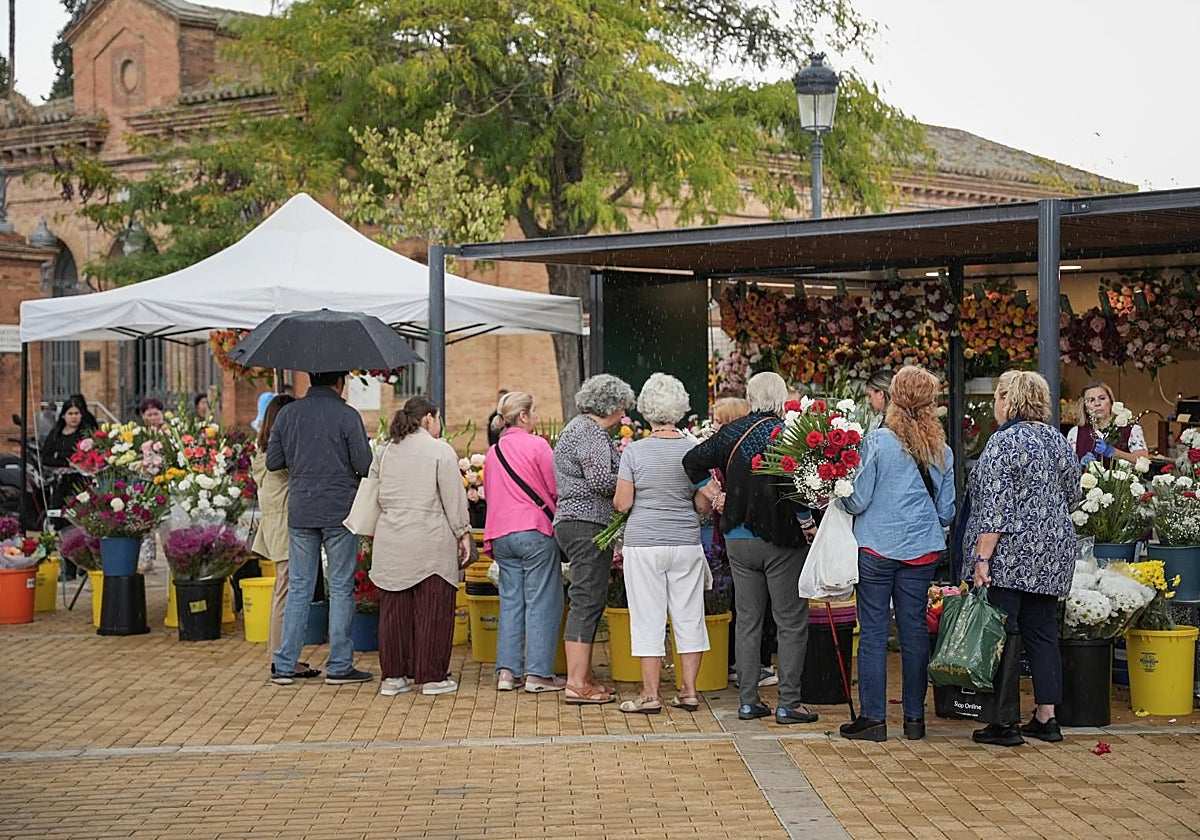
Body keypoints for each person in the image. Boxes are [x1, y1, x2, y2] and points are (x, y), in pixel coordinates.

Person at [683, 371, 820, 725]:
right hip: (781, 540)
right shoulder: (787, 434)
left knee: (747, 621)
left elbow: (692, 461)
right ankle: (789, 702)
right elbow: (797, 486)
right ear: (780, 397)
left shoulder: (730, 432)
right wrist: (807, 524)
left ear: (750, 396)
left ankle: (748, 701)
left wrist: (714, 495)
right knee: (789, 621)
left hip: (738, 540)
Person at [837, 365, 955, 742]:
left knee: (872, 632)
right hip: (922, 551)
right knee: (914, 632)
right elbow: (947, 511)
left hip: (876, 548)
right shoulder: (943, 450)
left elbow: (857, 501)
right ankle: (914, 719)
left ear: (893, 399)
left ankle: (873, 719)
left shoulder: (877, 442)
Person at [963, 370, 1080, 747]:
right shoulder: (1057, 440)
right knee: (1043, 631)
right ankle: (1047, 717)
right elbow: (1072, 495)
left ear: (1009, 401)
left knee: (1005, 631)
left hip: (1011, 554)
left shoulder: (1004, 442)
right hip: (1053, 553)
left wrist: (982, 559)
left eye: (998, 397)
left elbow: (994, 508)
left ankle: (1005, 721)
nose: (995, 405)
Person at [268, 371, 374, 686]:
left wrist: (303, 463)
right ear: (339, 382)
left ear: (311, 379)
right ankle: (339, 666)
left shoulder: (288, 414)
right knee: (341, 587)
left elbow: (274, 461)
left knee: (299, 587)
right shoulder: (347, 415)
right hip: (340, 510)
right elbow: (365, 465)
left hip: (301, 509)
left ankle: (285, 664)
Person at [613, 373, 710, 714]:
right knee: (689, 616)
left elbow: (623, 503)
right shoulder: (694, 450)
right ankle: (689, 691)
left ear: (646, 409)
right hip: (685, 541)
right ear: (681, 407)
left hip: (644, 543)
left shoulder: (635, 451)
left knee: (647, 617)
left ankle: (650, 694)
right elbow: (702, 504)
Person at [371, 396, 472, 697]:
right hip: (430, 539)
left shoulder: (385, 451)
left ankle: (393, 677)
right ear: (429, 418)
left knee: (394, 613)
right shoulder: (439, 450)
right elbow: (453, 498)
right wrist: (463, 533)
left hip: (391, 538)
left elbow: (374, 493)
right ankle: (431, 677)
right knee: (433, 610)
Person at [553, 373, 635, 705]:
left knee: (590, 598)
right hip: (586, 522)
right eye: (623, 408)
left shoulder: (577, 428)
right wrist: (634, 482)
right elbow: (601, 479)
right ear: (611, 405)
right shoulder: (590, 431)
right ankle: (575, 683)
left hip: (577, 522)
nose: (624, 416)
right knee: (586, 599)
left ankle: (583, 675)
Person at [484, 391, 565, 693]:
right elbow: (555, 489)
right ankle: (538, 674)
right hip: (533, 530)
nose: (537, 416)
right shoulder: (538, 446)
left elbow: (492, 494)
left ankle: (507, 671)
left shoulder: (494, 452)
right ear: (523, 416)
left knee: (511, 601)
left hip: (501, 534)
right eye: (534, 411)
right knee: (542, 600)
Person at [251, 395, 319, 679]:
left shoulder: (264, 451)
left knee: (286, 590)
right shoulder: (279, 457)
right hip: (283, 526)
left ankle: (282, 656)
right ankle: (282, 659)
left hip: (275, 526)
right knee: (286, 590)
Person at [711, 396, 777, 688]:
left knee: (746, 607)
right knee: (752, 607)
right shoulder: (742, 449)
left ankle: (746, 668)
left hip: (733, 535)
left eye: (717, 421)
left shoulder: (727, 450)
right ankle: (749, 668)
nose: (713, 426)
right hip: (742, 535)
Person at [40, 395, 97, 579]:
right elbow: (46, 456)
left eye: (77, 413)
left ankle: (85, 563)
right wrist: (65, 458)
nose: (74, 417)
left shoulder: (85, 433)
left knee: (80, 523)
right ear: (63, 415)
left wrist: (61, 455)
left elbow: (84, 456)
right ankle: (69, 567)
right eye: (70, 413)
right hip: (60, 485)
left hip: (80, 485)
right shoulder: (56, 433)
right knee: (62, 524)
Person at [1066, 380, 1150, 466]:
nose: (1097, 403)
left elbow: (1143, 462)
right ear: (1085, 407)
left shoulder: (1130, 429)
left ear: (1111, 401)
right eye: (1091, 400)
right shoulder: (1076, 432)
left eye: (1102, 398)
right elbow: (1067, 469)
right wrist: (1080, 464)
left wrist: (1114, 452)